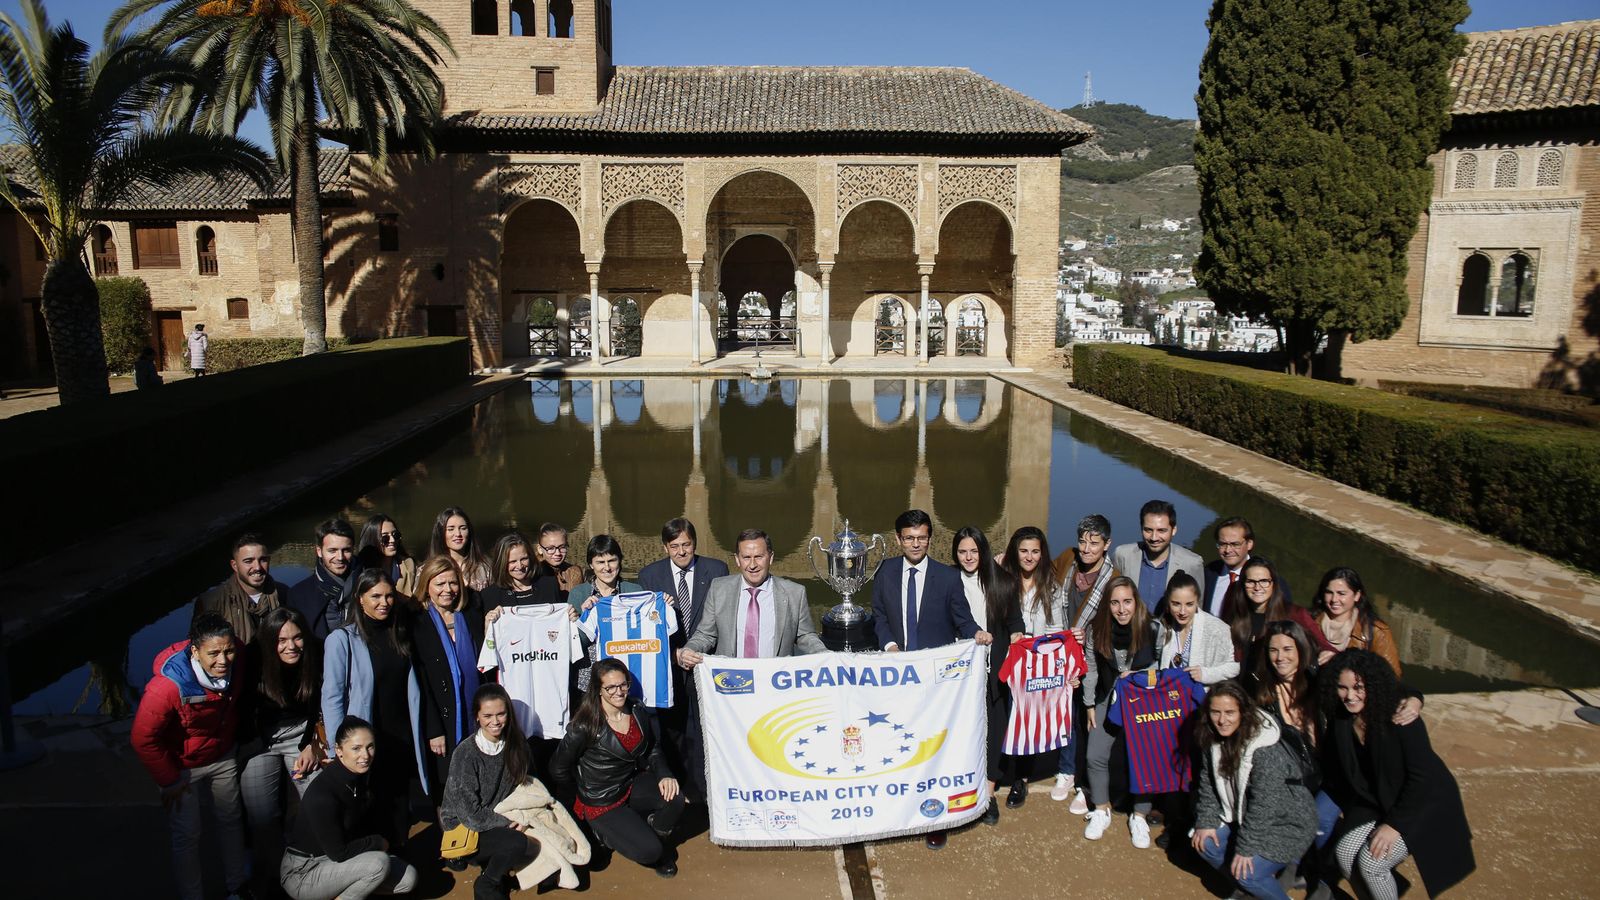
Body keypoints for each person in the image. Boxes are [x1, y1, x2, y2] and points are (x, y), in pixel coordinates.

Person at [1320, 650, 1475, 899]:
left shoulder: (1400, 717)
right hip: (1380, 798)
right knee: (1345, 853)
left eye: (1358, 687)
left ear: (1373, 684)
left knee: (1372, 863)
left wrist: (1394, 826)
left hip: (1421, 803)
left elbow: (1422, 780)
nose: (1350, 696)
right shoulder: (1342, 716)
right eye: (1342, 688)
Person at [130, 613, 249, 900]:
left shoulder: (239, 657)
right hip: (181, 768)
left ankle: (238, 888)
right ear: (195, 651)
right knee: (187, 835)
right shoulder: (167, 688)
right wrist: (168, 780)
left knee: (231, 821)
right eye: (214, 653)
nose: (224, 660)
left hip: (222, 755)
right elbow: (142, 737)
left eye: (229, 650)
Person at [550, 658, 685, 879]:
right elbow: (558, 768)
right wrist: (583, 793)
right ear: (598, 690)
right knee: (649, 852)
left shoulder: (637, 709)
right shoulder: (584, 725)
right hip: (602, 800)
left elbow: (652, 748)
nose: (619, 692)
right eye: (610, 687)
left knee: (675, 798)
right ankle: (605, 836)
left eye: (623, 684)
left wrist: (664, 774)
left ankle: (652, 835)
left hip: (630, 783)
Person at [322, 569, 429, 844]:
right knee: (372, 807)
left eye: (390, 596)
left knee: (399, 805)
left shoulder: (399, 633)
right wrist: (340, 747)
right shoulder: (341, 640)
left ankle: (401, 858)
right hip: (368, 738)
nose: (384, 602)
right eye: (376, 596)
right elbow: (332, 697)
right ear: (360, 599)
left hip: (402, 736)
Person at [1191, 680, 1318, 900]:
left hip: (1286, 822)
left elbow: (1265, 804)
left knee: (1248, 875)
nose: (1222, 720)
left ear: (1243, 712)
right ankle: (1249, 892)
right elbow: (1208, 783)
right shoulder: (1212, 738)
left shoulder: (1264, 748)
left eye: (1230, 712)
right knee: (1206, 844)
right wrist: (1206, 822)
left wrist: (1245, 849)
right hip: (1245, 817)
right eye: (1215, 712)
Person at [636, 518, 729, 801]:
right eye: (674, 546)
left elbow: (722, 618)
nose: (681, 551)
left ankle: (708, 789)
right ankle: (677, 790)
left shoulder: (717, 570)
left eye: (686, 544)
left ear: (694, 543)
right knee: (673, 729)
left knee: (708, 728)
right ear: (665, 547)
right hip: (670, 665)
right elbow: (645, 626)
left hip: (706, 662)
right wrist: (673, 653)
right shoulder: (649, 576)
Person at [281, 717, 418, 900]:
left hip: (339, 860)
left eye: (370, 746)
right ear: (339, 750)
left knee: (408, 878)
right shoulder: (323, 794)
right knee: (378, 864)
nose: (366, 755)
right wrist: (377, 842)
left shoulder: (358, 777)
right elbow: (339, 852)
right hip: (304, 871)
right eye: (356, 748)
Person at [240, 607, 324, 896]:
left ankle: (313, 866)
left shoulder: (316, 653)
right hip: (261, 743)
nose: (291, 646)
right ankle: (275, 874)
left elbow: (320, 705)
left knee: (317, 801)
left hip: (300, 735)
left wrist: (312, 743)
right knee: (263, 816)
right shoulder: (252, 659)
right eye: (282, 640)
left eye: (297, 638)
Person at [440, 684, 540, 900]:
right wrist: (508, 823)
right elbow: (469, 815)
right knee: (516, 842)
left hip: (497, 818)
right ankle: (488, 882)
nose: (495, 722)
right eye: (487, 715)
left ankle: (497, 868)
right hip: (466, 826)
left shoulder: (517, 744)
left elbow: (525, 786)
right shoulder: (466, 753)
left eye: (500, 714)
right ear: (477, 716)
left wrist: (524, 817)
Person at [953, 526, 1023, 829]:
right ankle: (960, 788)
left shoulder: (1003, 581)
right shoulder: (947, 581)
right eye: (962, 552)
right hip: (960, 672)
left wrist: (1018, 633)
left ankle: (989, 794)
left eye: (974, 551)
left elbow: (1014, 620)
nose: (969, 557)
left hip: (995, 668)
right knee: (963, 730)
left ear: (982, 551)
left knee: (995, 728)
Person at [1081, 577, 1159, 845]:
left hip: (1142, 701)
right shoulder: (1096, 630)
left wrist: (1140, 675)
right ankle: (1101, 809)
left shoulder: (1153, 628)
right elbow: (1090, 667)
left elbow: (1162, 663)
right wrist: (1089, 703)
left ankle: (1139, 815)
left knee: (1145, 758)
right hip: (1107, 697)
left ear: (1136, 603)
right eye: (1115, 603)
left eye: (1127, 602)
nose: (1122, 609)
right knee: (1095, 755)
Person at [678, 529, 826, 666]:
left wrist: (825, 655)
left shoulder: (794, 593)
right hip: (731, 681)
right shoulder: (719, 589)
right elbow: (706, 634)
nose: (752, 564)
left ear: (770, 557)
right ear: (737, 559)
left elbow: (805, 636)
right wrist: (689, 649)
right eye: (746, 557)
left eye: (759, 557)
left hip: (776, 681)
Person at [1052, 513, 1118, 812]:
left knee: (1089, 717)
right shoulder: (1068, 560)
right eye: (1083, 542)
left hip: (1095, 660)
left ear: (1107, 544)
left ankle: (1086, 784)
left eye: (1094, 543)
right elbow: (1042, 576)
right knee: (1067, 713)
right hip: (1065, 656)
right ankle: (1067, 771)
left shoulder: (1113, 580)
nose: (1087, 549)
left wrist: (1088, 636)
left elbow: (1117, 618)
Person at [995, 525, 1063, 809]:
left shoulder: (1051, 585)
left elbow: (1057, 627)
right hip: (1004, 661)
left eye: (1035, 551)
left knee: (1027, 720)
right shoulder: (1001, 579)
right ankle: (996, 772)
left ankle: (1021, 779)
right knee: (1002, 716)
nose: (1029, 557)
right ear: (1014, 551)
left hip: (1034, 666)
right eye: (1023, 551)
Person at [412, 556, 486, 805]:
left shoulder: (471, 614)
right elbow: (422, 682)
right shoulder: (418, 624)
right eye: (440, 583)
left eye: (453, 583)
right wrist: (434, 730)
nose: (448, 590)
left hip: (474, 709)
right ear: (427, 585)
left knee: (479, 771)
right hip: (443, 719)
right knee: (447, 782)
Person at [873, 509, 986, 652]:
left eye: (921, 538)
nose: (916, 544)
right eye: (909, 538)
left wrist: (977, 632)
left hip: (935, 663)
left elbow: (963, 620)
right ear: (898, 538)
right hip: (897, 662)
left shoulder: (948, 577)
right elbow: (879, 616)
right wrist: (890, 646)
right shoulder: (884, 571)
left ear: (929, 539)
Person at [567, 534, 643, 694]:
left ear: (620, 560)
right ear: (591, 564)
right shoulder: (578, 594)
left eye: (612, 561)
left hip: (625, 677)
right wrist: (584, 618)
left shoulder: (634, 591)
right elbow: (573, 646)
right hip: (588, 679)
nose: (607, 568)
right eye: (600, 562)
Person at [1226, 555, 1334, 667]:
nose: (1257, 587)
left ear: (1273, 584)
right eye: (1251, 581)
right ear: (1243, 584)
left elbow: (1326, 647)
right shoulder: (1236, 610)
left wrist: (1327, 654)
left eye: (1264, 581)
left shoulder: (1294, 613)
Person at [193, 532, 290, 644]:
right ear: (234, 565)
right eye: (248, 561)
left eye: (263, 560)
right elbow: (200, 647)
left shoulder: (284, 593)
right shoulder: (212, 602)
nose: (257, 567)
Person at [1111, 499, 1205, 614]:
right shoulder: (1123, 555)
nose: (1154, 538)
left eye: (1161, 530)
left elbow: (1197, 608)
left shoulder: (1192, 563)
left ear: (1174, 530)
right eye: (1148, 530)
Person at [1314, 566, 1402, 674]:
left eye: (1341, 594)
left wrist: (1341, 662)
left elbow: (1391, 676)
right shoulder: (1309, 622)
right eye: (1329, 592)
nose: (1334, 599)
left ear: (1357, 595)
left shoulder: (1376, 631)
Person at [1158, 571, 1238, 685]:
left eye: (1189, 604)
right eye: (1176, 604)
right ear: (1168, 603)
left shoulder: (1217, 628)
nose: (1182, 611)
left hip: (1202, 696)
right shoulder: (1163, 625)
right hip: (1170, 694)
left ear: (1197, 601)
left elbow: (1234, 666)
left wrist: (1206, 674)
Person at [289, 518, 360, 640]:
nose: (340, 557)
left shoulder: (368, 584)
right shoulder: (298, 595)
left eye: (346, 550)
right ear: (319, 551)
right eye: (332, 550)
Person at [481, 532, 563, 610]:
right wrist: (488, 622)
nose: (519, 566)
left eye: (524, 559)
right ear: (502, 563)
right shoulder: (490, 595)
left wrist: (570, 616)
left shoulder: (550, 585)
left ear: (530, 557)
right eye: (512, 561)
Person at [1203, 517, 1260, 618]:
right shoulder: (1209, 572)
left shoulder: (1264, 578)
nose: (1228, 550)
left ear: (1249, 544)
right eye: (1222, 544)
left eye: (1235, 544)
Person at [430, 506, 493, 594]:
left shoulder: (486, 567)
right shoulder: (427, 570)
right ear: (441, 533)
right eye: (451, 529)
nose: (458, 534)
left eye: (463, 528)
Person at [358, 514, 418, 599]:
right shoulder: (360, 569)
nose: (392, 540)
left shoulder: (409, 565)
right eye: (385, 538)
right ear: (372, 539)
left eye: (395, 535)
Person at [536, 523, 586, 599]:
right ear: (540, 549)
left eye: (562, 547)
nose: (558, 553)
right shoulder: (533, 573)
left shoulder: (575, 572)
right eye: (551, 548)